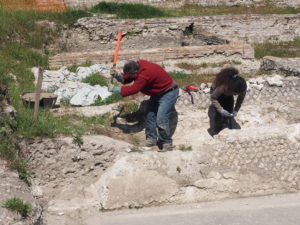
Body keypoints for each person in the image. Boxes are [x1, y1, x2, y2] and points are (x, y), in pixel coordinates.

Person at [109, 60, 179, 152]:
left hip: (168, 92)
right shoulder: (137, 66)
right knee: (150, 116)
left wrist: (115, 89)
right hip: (157, 93)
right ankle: (151, 140)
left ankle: (166, 143)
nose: (130, 77)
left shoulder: (145, 73)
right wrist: (117, 75)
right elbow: (127, 78)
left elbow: (134, 89)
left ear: (136, 72)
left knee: (161, 118)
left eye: (131, 75)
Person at [208, 67, 247, 136]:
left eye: (237, 94)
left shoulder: (242, 87)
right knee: (217, 113)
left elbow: (240, 99)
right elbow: (213, 98)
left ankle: (228, 125)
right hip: (217, 93)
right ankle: (216, 131)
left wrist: (235, 110)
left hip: (228, 92)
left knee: (229, 109)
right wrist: (221, 110)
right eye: (235, 93)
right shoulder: (223, 86)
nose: (235, 95)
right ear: (231, 89)